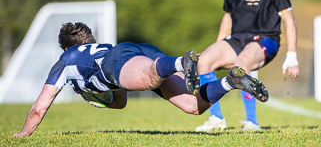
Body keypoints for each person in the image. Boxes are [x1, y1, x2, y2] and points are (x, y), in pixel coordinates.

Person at [13, 22, 269, 137]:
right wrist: (101, 99)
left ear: (66, 48)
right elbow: (121, 96)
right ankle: (231, 82)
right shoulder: (99, 48)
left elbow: (39, 107)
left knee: (149, 78)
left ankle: (182, 62)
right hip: (133, 53)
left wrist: (23, 135)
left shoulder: (66, 61)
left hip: (124, 61)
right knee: (194, 106)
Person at [195, 0, 299, 132]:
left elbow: (289, 20)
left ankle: (252, 122)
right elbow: (228, 17)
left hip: (266, 40)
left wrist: (292, 56)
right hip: (237, 39)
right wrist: (218, 45)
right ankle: (216, 118)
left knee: (241, 64)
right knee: (203, 61)